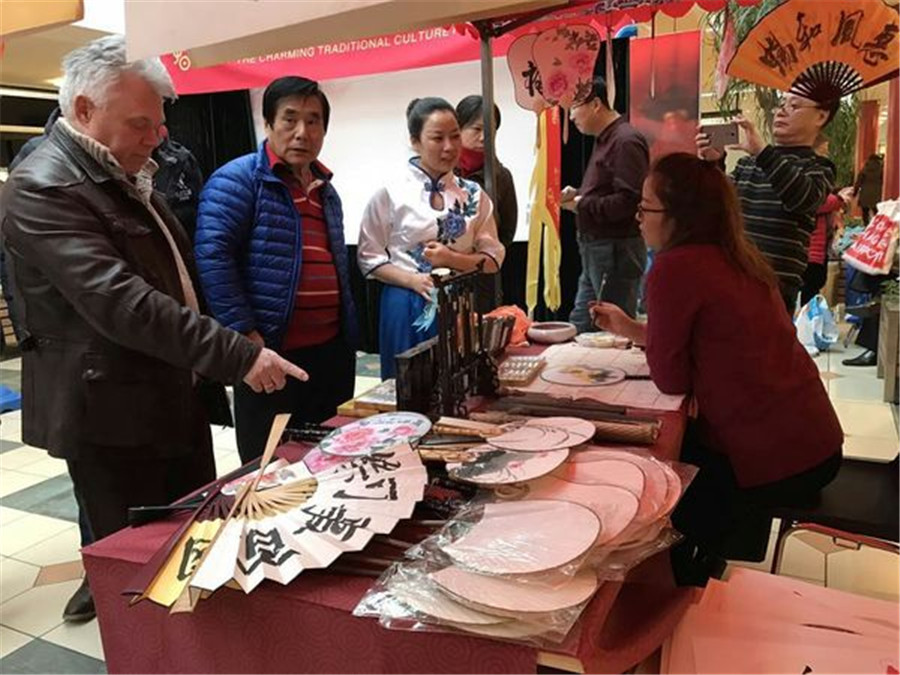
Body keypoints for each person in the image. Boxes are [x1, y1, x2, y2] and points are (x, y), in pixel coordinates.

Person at [0, 36, 305, 622]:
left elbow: (173, 276)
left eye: (159, 124)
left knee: (190, 542)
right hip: (110, 411)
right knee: (135, 567)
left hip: (167, 390)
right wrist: (237, 355)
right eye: (141, 124)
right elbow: (121, 301)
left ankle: (193, 645)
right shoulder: (45, 185)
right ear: (84, 109)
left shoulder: (120, 170)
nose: (157, 138)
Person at [591, 153, 842, 583]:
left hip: (779, 460)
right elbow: (716, 343)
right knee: (678, 450)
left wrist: (653, 339)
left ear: (679, 216)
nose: (638, 218)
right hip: (816, 442)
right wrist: (633, 329)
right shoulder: (736, 254)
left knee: (657, 479)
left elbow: (671, 379)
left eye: (646, 208)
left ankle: (689, 585)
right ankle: (707, 561)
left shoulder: (674, 268)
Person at [195, 76, 359, 464]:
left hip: (329, 355)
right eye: (290, 119)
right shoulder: (237, 180)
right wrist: (246, 338)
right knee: (270, 469)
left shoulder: (327, 190)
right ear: (268, 123)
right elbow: (213, 258)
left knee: (329, 460)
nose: (302, 132)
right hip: (270, 355)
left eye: (313, 121)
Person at [358, 97, 504, 379]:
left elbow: (494, 258)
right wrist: (412, 280)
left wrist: (452, 259)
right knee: (409, 384)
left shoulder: (474, 195)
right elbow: (368, 257)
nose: (449, 147)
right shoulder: (390, 192)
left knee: (460, 383)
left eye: (455, 136)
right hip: (405, 301)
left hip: (460, 301)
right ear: (415, 141)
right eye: (438, 138)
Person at [697, 94, 837, 315]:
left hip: (775, 289)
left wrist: (762, 152)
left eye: (794, 106)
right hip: (732, 279)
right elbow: (719, 205)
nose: (781, 111)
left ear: (820, 116)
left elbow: (802, 198)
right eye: (781, 104)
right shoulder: (747, 164)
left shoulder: (819, 168)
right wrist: (713, 164)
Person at [561, 75, 649, 330]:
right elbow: (609, 190)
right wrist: (579, 193)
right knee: (584, 323)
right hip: (599, 251)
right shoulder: (609, 138)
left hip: (615, 251)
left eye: (574, 108)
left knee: (609, 330)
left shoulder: (625, 140)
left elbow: (630, 201)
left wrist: (581, 204)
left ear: (596, 104)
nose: (571, 117)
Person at [455, 95, 518, 311]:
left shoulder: (501, 177)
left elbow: (507, 231)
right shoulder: (443, 174)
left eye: (490, 131)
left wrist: (484, 256)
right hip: (444, 274)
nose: (484, 138)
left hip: (482, 276)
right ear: (458, 128)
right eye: (476, 129)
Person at [800, 135, 844, 308]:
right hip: (809, 250)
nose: (827, 154)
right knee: (808, 292)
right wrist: (840, 199)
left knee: (811, 291)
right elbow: (814, 202)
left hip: (816, 250)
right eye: (824, 150)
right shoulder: (808, 173)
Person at [854, 153, 884, 224]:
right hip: (876, 193)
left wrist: (855, 192)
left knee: (865, 212)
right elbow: (883, 180)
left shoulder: (864, 169)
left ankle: (866, 225)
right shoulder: (881, 169)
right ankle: (876, 225)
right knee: (876, 211)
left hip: (865, 193)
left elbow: (859, 181)